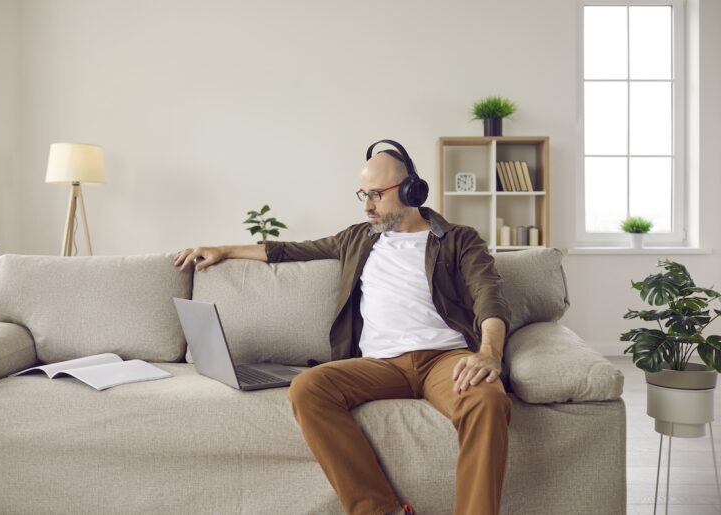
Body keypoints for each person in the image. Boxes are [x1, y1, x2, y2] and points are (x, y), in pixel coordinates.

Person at [173, 140, 512, 515]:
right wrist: (224, 249)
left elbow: (489, 296)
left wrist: (489, 352)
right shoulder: (357, 238)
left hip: (445, 359)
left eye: (376, 195)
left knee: (487, 398)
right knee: (308, 388)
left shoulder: (458, 240)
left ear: (410, 189)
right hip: (381, 364)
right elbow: (288, 250)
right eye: (363, 195)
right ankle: (380, 510)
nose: (367, 206)